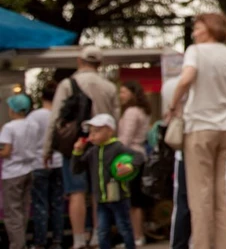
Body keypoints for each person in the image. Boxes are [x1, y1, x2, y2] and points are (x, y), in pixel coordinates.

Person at [166, 13, 226, 249]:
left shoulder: (196, 51)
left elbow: (187, 78)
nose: (194, 32)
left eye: (198, 28)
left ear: (210, 28)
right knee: (224, 194)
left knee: (200, 196)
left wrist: (173, 105)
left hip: (199, 127)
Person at [44, 46, 120, 249]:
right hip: (102, 145)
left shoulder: (68, 84)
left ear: (79, 61)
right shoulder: (109, 87)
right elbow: (116, 120)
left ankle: (78, 239)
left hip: (76, 145)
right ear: (100, 64)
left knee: (76, 191)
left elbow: (55, 119)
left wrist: (47, 149)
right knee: (98, 191)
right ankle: (98, 235)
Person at [70, 114, 145, 249]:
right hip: (101, 199)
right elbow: (76, 169)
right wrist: (77, 151)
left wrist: (130, 166)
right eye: (91, 132)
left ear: (110, 131)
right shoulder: (92, 151)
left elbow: (138, 156)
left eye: (97, 131)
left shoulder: (117, 147)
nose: (92, 135)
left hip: (119, 197)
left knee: (124, 228)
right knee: (102, 231)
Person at [28, 81, 65, 249]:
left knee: (40, 204)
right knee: (57, 203)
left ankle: (40, 241)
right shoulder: (61, 115)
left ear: (42, 97)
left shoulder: (34, 116)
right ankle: (58, 239)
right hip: (59, 162)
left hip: (38, 163)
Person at [1, 93, 37, 249]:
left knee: (12, 211)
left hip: (12, 172)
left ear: (13, 109)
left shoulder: (9, 127)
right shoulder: (33, 125)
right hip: (29, 169)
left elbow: (6, 151)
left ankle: (17, 245)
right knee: (23, 209)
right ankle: (21, 242)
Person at [118, 80, 152, 247]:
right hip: (141, 155)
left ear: (132, 93)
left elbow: (126, 137)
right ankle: (137, 234)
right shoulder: (143, 111)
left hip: (130, 157)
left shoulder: (131, 112)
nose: (121, 95)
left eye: (123, 92)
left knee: (133, 201)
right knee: (136, 199)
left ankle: (136, 236)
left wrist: (113, 150)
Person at [161, 74, 190, 249]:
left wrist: (173, 107)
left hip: (184, 152)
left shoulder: (174, 85)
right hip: (202, 152)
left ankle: (179, 245)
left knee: (182, 203)